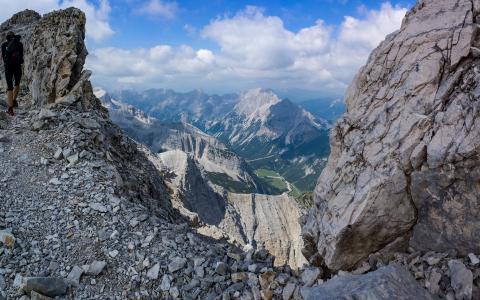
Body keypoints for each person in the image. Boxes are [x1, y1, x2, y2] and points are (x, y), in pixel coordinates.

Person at [1, 31, 24, 116]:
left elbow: (4, 58)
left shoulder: (4, 45)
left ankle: (10, 108)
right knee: (17, 83)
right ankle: (14, 100)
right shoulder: (20, 44)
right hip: (17, 66)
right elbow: (21, 57)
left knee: (9, 87)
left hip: (8, 67)